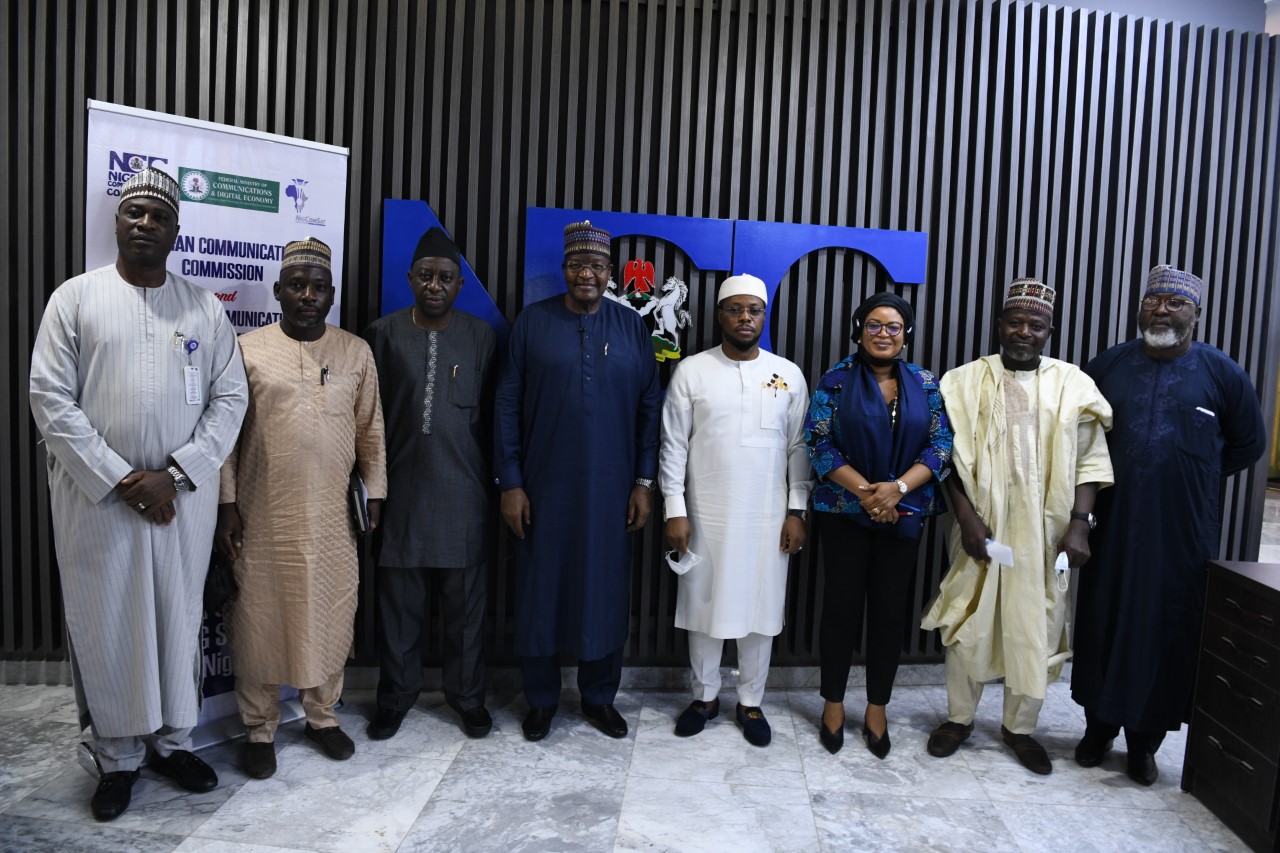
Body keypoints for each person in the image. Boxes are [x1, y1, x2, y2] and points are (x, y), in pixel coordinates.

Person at [29, 167, 248, 821]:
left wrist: (173, 474)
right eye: (135, 214)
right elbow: (50, 398)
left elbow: (230, 398)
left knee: (177, 621)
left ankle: (173, 744)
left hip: (180, 503)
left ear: (176, 230)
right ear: (117, 224)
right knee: (109, 622)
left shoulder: (203, 308)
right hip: (99, 505)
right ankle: (119, 758)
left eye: (159, 215)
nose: (146, 223)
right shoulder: (75, 299)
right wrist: (123, 479)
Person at [1071, 265, 1266, 785]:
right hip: (1110, 524)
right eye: (1154, 300)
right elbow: (1081, 440)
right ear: (1140, 308)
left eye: (1175, 303)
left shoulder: (1223, 373)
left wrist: (1190, 474)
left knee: (1165, 629)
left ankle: (1145, 742)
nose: (1162, 309)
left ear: (1196, 314)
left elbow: (1249, 444)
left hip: (1181, 532)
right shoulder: (1106, 366)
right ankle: (1098, 729)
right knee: (1102, 620)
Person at [922, 278, 1113, 775]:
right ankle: (960, 718)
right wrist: (965, 518)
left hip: (1047, 532)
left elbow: (1091, 463)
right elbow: (945, 459)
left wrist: (1079, 526)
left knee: (1038, 622)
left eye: (1036, 324)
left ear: (1050, 331)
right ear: (999, 325)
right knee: (968, 617)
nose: (1024, 331)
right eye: (1015, 322)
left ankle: (1019, 728)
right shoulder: (961, 381)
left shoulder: (1074, 385)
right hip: (977, 526)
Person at [215, 238, 386, 779]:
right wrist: (227, 506)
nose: (308, 295)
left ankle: (322, 717)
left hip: (333, 519)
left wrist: (375, 492)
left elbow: (371, 430)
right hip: (263, 515)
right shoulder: (247, 350)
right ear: (278, 292)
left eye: (318, 287)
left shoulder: (355, 351)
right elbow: (225, 438)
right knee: (258, 619)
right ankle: (260, 727)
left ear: (332, 295)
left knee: (331, 612)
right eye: (297, 286)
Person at [494, 220, 661, 742]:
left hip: (613, 492)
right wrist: (511, 482)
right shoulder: (532, 323)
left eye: (596, 266)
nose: (586, 274)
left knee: (605, 591)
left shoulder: (632, 327)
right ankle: (541, 700)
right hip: (544, 489)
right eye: (576, 265)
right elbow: (507, 405)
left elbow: (650, 409)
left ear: (610, 274)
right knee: (541, 591)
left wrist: (643, 482)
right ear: (564, 270)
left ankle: (598, 697)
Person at [659, 274, 812, 747]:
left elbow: (798, 448)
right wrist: (674, 508)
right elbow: (673, 446)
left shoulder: (787, 374)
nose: (745, 318)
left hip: (767, 516)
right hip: (705, 513)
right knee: (705, 605)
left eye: (755, 310)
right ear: (719, 315)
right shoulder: (692, 371)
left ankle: (750, 702)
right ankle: (704, 697)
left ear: (764, 317)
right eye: (735, 309)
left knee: (760, 609)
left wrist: (797, 510)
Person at [805, 292, 953, 758]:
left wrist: (897, 491)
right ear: (859, 329)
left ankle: (876, 707)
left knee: (890, 614)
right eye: (874, 324)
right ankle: (832, 703)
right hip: (845, 512)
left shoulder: (925, 382)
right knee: (840, 610)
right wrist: (871, 494)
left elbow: (942, 443)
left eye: (893, 326)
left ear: (905, 334)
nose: (884, 333)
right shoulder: (836, 379)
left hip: (903, 513)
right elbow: (818, 444)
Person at [363, 226, 496, 742]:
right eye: (425, 276)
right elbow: (368, 418)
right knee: (399, 610)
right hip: (400, 496)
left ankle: (467, 699)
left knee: (466, 614)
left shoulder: (481, 337)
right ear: (410, 279)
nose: (434, 285)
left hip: (465, 496)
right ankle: (396, 699)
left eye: (445, 278)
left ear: (460, 285)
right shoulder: (383, 334)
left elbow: (494, 421)